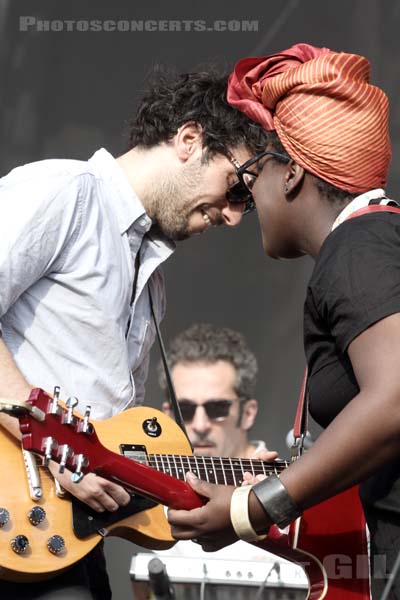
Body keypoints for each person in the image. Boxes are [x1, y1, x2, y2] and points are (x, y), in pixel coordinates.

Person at [0, 67, 268, 599]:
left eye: (250, 204)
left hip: (66, 537)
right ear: (190, 140)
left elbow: (118, 440)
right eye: (238, 186)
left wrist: (224, 480)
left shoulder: (152, 284)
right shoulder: (67, 194)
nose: (236, 216)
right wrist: (58, 448)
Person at [166, 44, 400, 599]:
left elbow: (394, 398)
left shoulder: (359, 247)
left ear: (291, 173)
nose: (245, 203)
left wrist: (253, 507)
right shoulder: (376, 241)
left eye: (252, 178)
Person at [160, 323, 273, 459]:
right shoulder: (151, 478)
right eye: (184, 410)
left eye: (217, 408)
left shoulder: (284, 478)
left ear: (248, 414)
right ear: (167, 417)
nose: (200, 426)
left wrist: (274, 481)